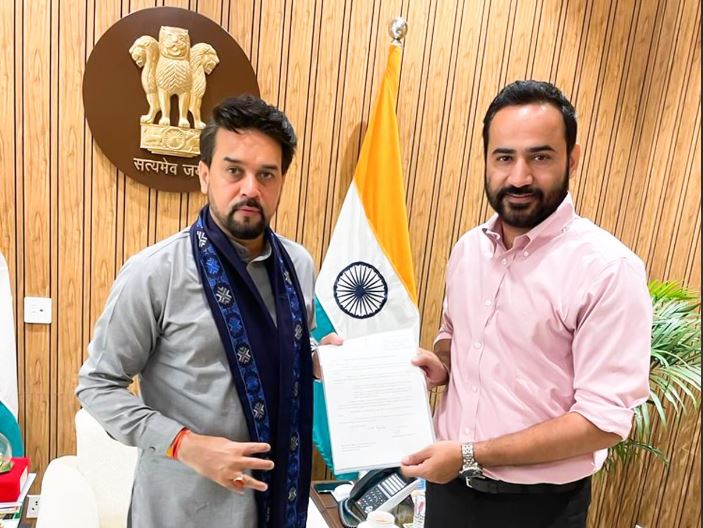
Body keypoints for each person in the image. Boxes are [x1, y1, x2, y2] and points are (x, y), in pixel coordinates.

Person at [77, 95, 339, 528]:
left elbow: (285, 341)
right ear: (204, 175)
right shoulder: (154, 272)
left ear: (281, 181)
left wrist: (313, 356)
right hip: (183, 512)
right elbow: (97, 386)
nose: (250, 188)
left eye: (266, 174)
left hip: (280, 503)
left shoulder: (299, 265)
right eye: (234, 171)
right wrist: (184, 444)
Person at [401, 80, 651, 527]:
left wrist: (469, 454)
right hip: (449, 494)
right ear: (486, 159)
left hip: (539, 509)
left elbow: (602, 422)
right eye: (504, 157)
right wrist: (444, 364)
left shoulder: (609, 269)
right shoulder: (468, 250)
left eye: (540, 157)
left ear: (572, 158)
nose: (519, 177)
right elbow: (454, 334)